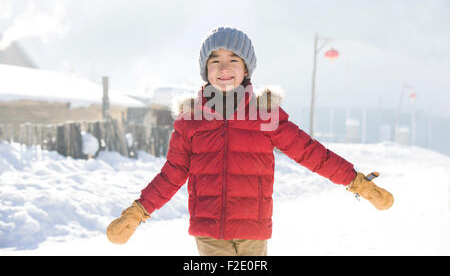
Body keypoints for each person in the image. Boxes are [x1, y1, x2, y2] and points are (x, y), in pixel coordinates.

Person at [106, 26, 394, 256]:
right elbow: (173, 172)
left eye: (234, 59)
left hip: (252, 230)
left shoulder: (264, 113)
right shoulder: (190, 119)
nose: (224, 67)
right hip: (208, 232)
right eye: (215, 60)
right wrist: (138, 211)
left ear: (246, 69)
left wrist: (356, 182)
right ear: (205, 70)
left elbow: (309, 152)